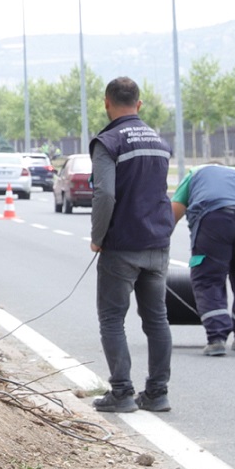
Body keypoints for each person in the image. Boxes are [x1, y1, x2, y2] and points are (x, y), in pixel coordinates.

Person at [89, 77, 175, 414]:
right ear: (138, 105)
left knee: (112, 319)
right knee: (157, 320)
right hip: (158, 244)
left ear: (107, 103)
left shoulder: (108, 141)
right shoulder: (159, 141)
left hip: (122, 246)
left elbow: (105, 194)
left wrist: (98, 237)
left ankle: (122, 393)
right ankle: (157, 393)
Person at [172, 163, 235, 355]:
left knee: (207, 278)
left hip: (214, 217)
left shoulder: (193, 174)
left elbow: (171, 215)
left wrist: (156, 245)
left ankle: (217, 337)